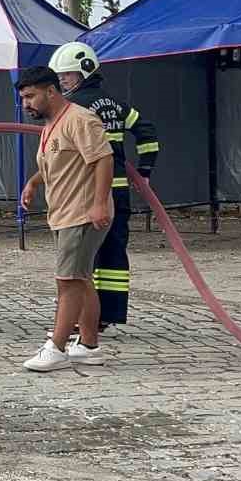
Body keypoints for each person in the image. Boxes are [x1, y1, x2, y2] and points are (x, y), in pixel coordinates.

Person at [49, 41, 161, 332]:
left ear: (86, 71)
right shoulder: (117, 104)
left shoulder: (74, 109)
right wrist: (145, 169)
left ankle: (81, 319)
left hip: (89, 193)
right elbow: (146, 131)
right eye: (60, 77)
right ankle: (106, 314)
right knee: (113, 253)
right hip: (119, 191)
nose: (62, 82)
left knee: (81, 259)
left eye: (68, 76)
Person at [16, 66, 114, 372]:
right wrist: (33, 182)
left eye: (31, 96)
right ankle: (88, 346)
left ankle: (56, 348)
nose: (26, 104)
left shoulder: (79, 119)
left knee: (68, 280)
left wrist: (99, 204)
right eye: (22, 98)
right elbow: (57, 166)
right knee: (82, 280)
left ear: (51, 91)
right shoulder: (50, 126)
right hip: (63, 214)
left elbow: (103, 159)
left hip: (82, 214)